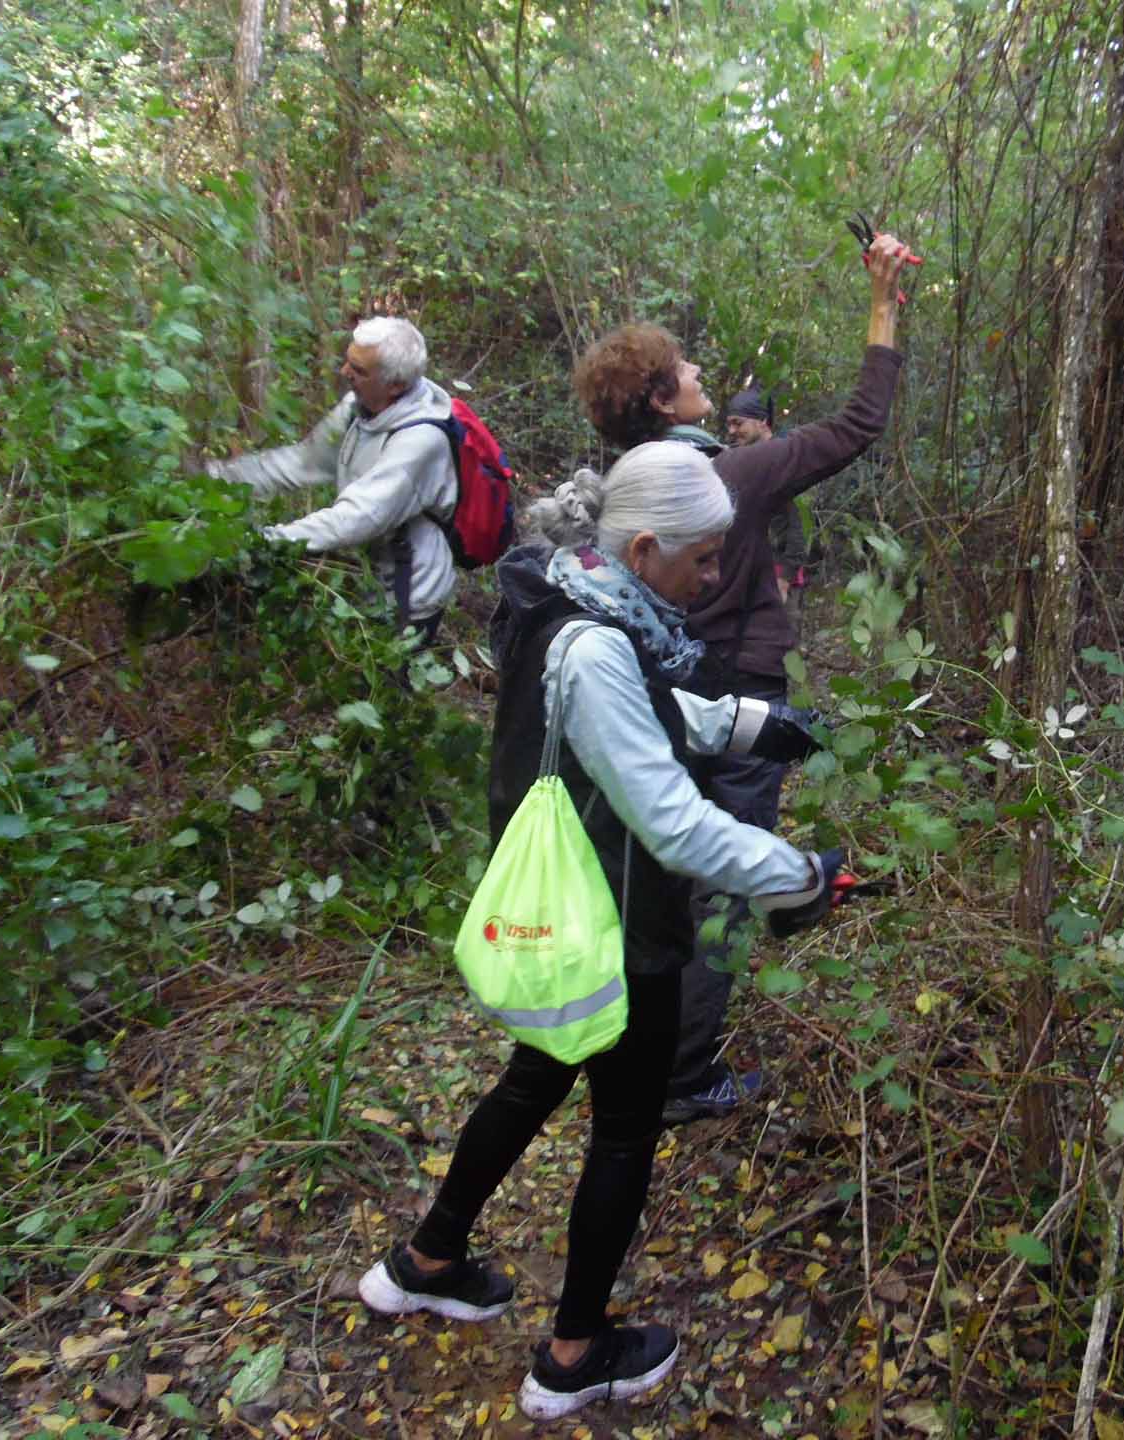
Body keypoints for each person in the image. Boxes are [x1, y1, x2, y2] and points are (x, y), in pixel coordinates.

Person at [356, 443, 841, 1421]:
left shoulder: (573, 595)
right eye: (703, 560)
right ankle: (576, 1352)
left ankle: (427, 1258)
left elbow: (639, 717)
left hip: (569, 911)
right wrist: (801, 876)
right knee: (623, 1129)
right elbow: (672, 818)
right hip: (618, 923)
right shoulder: (598, 642)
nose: (712, 578)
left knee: (534, 1076)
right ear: (650, 546)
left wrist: (750, 724)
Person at [570, 231, 912, 1124]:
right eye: (683, 367)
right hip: (743, 694)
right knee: (723, 882)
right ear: (660, 397)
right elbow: (858, 427)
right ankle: (686, 1075)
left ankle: (650, 1044)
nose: (698, 370)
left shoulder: (626, 488)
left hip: (667, 696)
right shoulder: (731, 473)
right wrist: (882, 302)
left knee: (673, 868)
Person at [205, 316, 458, 640]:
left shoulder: (420, 443)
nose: (345, 372)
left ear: (395, 385)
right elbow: (302, 462)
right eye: (348, 361)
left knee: (388, 683)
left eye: (359, 370)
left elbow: (356, 518)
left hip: (411, 595)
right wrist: (216, 476)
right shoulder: (359, 407)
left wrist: (263, 541)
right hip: (368, 578)